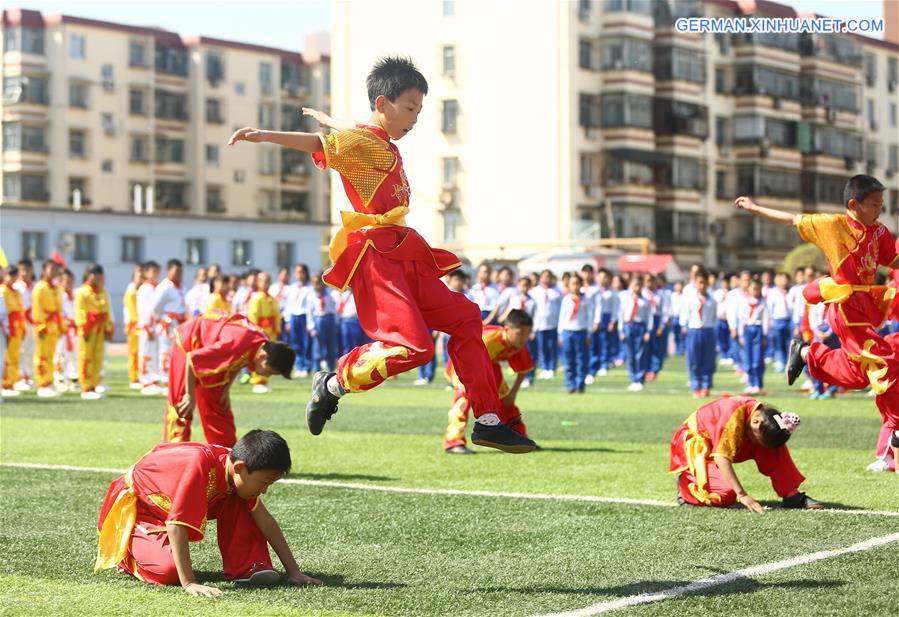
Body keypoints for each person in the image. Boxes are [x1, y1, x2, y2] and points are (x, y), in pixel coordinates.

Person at [229, 56, 534, 452]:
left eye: (420, 111)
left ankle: (489, 420)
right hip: (378, 257)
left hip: (403, 250)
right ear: (382, 104)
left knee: (466, 317)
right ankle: (333, 383)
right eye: (409, 108)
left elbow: (353, 134)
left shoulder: (377, 139)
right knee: (416, 349)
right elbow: (324, 144)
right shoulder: (362, 141)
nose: (415, 118)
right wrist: (265, 135)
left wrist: (332, 120)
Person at [737, 175, 899, 469]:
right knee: (885, 361)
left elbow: (893, 261)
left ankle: (805, 353)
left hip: (867, 304)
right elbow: (792, 220)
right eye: (875, 204)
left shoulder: (879, 232)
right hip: (845, 306)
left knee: (862, 375)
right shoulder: (832, 225)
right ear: (854, 204)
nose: (880, 210)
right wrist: (756, 209)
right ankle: (893, 438)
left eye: (881, 204)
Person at [95, 429, 322, 593]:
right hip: (142, 505)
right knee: (168, 572)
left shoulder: (235, 472)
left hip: (172, 503)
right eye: (265, 482)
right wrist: (189, 582)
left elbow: (265, 521)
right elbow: (176, 525)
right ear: (240, 468)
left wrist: (294, 572)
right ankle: (127, 555)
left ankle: (247, 567)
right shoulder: (200, 466)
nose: (265, 490)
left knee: (241, 499)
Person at [670, 396, 822, 512]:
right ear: (756, 422)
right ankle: (687, 486)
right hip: (697, 446)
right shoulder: (734, 417)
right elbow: (721, 457)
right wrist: (741, 494)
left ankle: (792, 495)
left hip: (726, 442)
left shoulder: (759, 418)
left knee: (775, 447)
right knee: (726, 494)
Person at [163, 313, 295, 447]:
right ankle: (173, 452)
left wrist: (226, 387)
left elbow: (242, 360)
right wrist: (189, 395)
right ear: (263, 356)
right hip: (188, 344)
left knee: (219, 404)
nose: (266, 376)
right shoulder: (236, 344)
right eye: (268, 372)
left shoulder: (261, 344)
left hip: (213, 350)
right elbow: (192, 360)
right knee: (182, 407)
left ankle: (226, 455)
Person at [444, 310, 536, 454]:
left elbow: (523, 369)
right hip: (463, 363)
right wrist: (462, 382)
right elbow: (465, 355)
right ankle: (453, 441)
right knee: (464, 399)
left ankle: (519, 437)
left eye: (527, 333)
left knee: (505, 401)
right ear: (507, 329)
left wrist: (513, 394)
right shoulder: (488, 339)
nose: (524, 338)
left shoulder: (518, 343)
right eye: (520, 333)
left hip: (489, 366)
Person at [74, 264, 113, 400]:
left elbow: (106, 310)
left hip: (100, 329)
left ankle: (94, 384)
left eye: (98, 274)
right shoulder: (82, 292)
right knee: (86, 357)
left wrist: (108, 328)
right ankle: (85, 387)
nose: (95, 277)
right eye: (93, 274)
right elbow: (80, 311)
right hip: (88, 329)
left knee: (98, 358)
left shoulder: (102, 292)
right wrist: (84, 327)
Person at [680, 272, 716, 398]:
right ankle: (696, 385)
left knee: (708, 359)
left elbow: (713, 317)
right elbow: (685, 314)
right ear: (695, 284)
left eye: (704, 283)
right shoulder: (690, 299)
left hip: (707, 330)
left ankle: (706, 385)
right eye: (699, 283)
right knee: (694, 359)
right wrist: (684, 326)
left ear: (707, 284)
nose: (701, 286)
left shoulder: (712, 300)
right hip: (694, 330)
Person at [154, 259, 189, 385]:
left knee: (178, 349)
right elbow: (156, 306)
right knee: (165, 349)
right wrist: (165, 318)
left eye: (181, 271)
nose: (179, 274)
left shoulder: (182, 286)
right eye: (176, 271)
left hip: (180, 322)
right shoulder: (164, 287)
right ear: (169, 271)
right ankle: (164, 377)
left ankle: (175, 376)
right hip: (168, 323)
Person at [31, 260, 63, 398]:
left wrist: (61, 326)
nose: (54, 271)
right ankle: (42, 384)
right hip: (44, 327)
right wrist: (40, 326)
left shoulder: (56, 288)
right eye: (51, 269)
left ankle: (49, 382)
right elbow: (37, 309)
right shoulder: (40, 287)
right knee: (42, 356)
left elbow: (59, 310)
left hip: (53, 326)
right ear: (44, 270)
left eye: (56, 269)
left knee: (51, 356)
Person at [247, 272, 281, 394]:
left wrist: (277, 327)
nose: (266, 283)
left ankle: (264, 380)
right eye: (263, 281)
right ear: (258, 282)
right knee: (260, 356)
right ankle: (257, 381)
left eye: (268, 281)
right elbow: (253, 315)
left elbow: (277, 315)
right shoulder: (257, 298)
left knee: (269, 356)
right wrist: (256, 330)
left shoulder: (271, 298)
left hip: (270, 332)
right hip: (262, 331)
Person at [559, 273, 591, 393]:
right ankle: (570, 385)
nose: (575, 286)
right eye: (572, 284)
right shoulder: (566, 299)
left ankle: (580, 385)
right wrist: (560, 334)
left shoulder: (586, 300)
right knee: (568, 360)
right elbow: (562, 317)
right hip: (567, 332)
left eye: (577, 283)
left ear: (581, 285)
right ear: (569, 285)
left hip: (581, 332)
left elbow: (589, 318)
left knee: (581, 360)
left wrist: (589, 334)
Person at [619, 276, 651, 392]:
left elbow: (649, 317)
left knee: (640, 354)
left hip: (640, 326)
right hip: (629, 326)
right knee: (630, 354)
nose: (636, 288)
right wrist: (621, 330)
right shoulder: (626, 299)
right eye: (634, 285)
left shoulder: (645, 301)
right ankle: (633, 378)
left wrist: (648, 331)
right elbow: (621, 315)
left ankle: (640, 378)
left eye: (639, 285)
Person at [738, 279, 769, 395]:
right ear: (748, 289)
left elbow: (766, 319)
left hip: (758, 329)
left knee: (757, 359)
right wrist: (741, 334)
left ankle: (757, 383)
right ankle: (750, 383)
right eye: (753, 288)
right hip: (748, 330)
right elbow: (741, 319)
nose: (755, 291)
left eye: (757, 288)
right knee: (748, 359)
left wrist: (765, 335)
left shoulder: (762, 303)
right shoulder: (745, 302)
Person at [530, 269, 562, 381]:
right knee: (542, 347)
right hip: (539, 324)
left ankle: (552, 368)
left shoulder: (557, 291)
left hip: (553, 324)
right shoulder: (534, 291)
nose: (547, 278)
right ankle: (544, 367)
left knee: (551, 347)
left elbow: (561, 308)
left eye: (549, 276)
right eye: (544, 276)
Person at [304, 273, 338, 373]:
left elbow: (334, 309)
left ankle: (331, 367)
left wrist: (336, 323)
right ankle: (317, 368)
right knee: (317, 346)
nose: (317, 285)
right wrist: (311, 327)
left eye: (318, 283)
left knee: (331, 345)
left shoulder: (329, 294)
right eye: (314, 283)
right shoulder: (311, 297)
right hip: (318, 319)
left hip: (329, 319)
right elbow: (309, 313)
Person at [1, 266, 25, 397]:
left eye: (14, 275)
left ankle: (13, 381)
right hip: (8, 326)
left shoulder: (16, 292)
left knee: (15, 355)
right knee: (7, 356)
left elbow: (20, 310)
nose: (12, 278)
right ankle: (6, 383)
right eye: (10, 275)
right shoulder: (2, 290)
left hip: (17, 326)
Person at [285, 264, 312, 377]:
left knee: (306, 342)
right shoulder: (292, 288)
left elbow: (311, 306)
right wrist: (287, 321)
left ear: (306, 273)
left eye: (301, 272)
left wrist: (310, 323)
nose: (299, 275)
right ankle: (299, 366)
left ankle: (306, 366)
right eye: (297, 272)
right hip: (294, 316)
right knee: (295, 343)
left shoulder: (310, 288)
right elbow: (288, 304)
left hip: (304, 316)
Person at [55, 269, 78, 391]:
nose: (69, 284)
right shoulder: (59, 295)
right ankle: (59, 378)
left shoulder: (76, 295)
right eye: (67, 281)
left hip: (75, 329)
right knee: (61, 354)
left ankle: (73, 378)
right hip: (63, 329)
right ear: (61, 282)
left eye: (71, 281)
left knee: (75, 354)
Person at [123, 266, 142, 389]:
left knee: (141, 352)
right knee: (134, 353)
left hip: (140, 326)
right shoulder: (131, 291)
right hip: (134, 326)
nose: (141, 279)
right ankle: (133, 378)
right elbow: (132, 312)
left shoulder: (142, 290)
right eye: (139, 276)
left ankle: (140, 375)